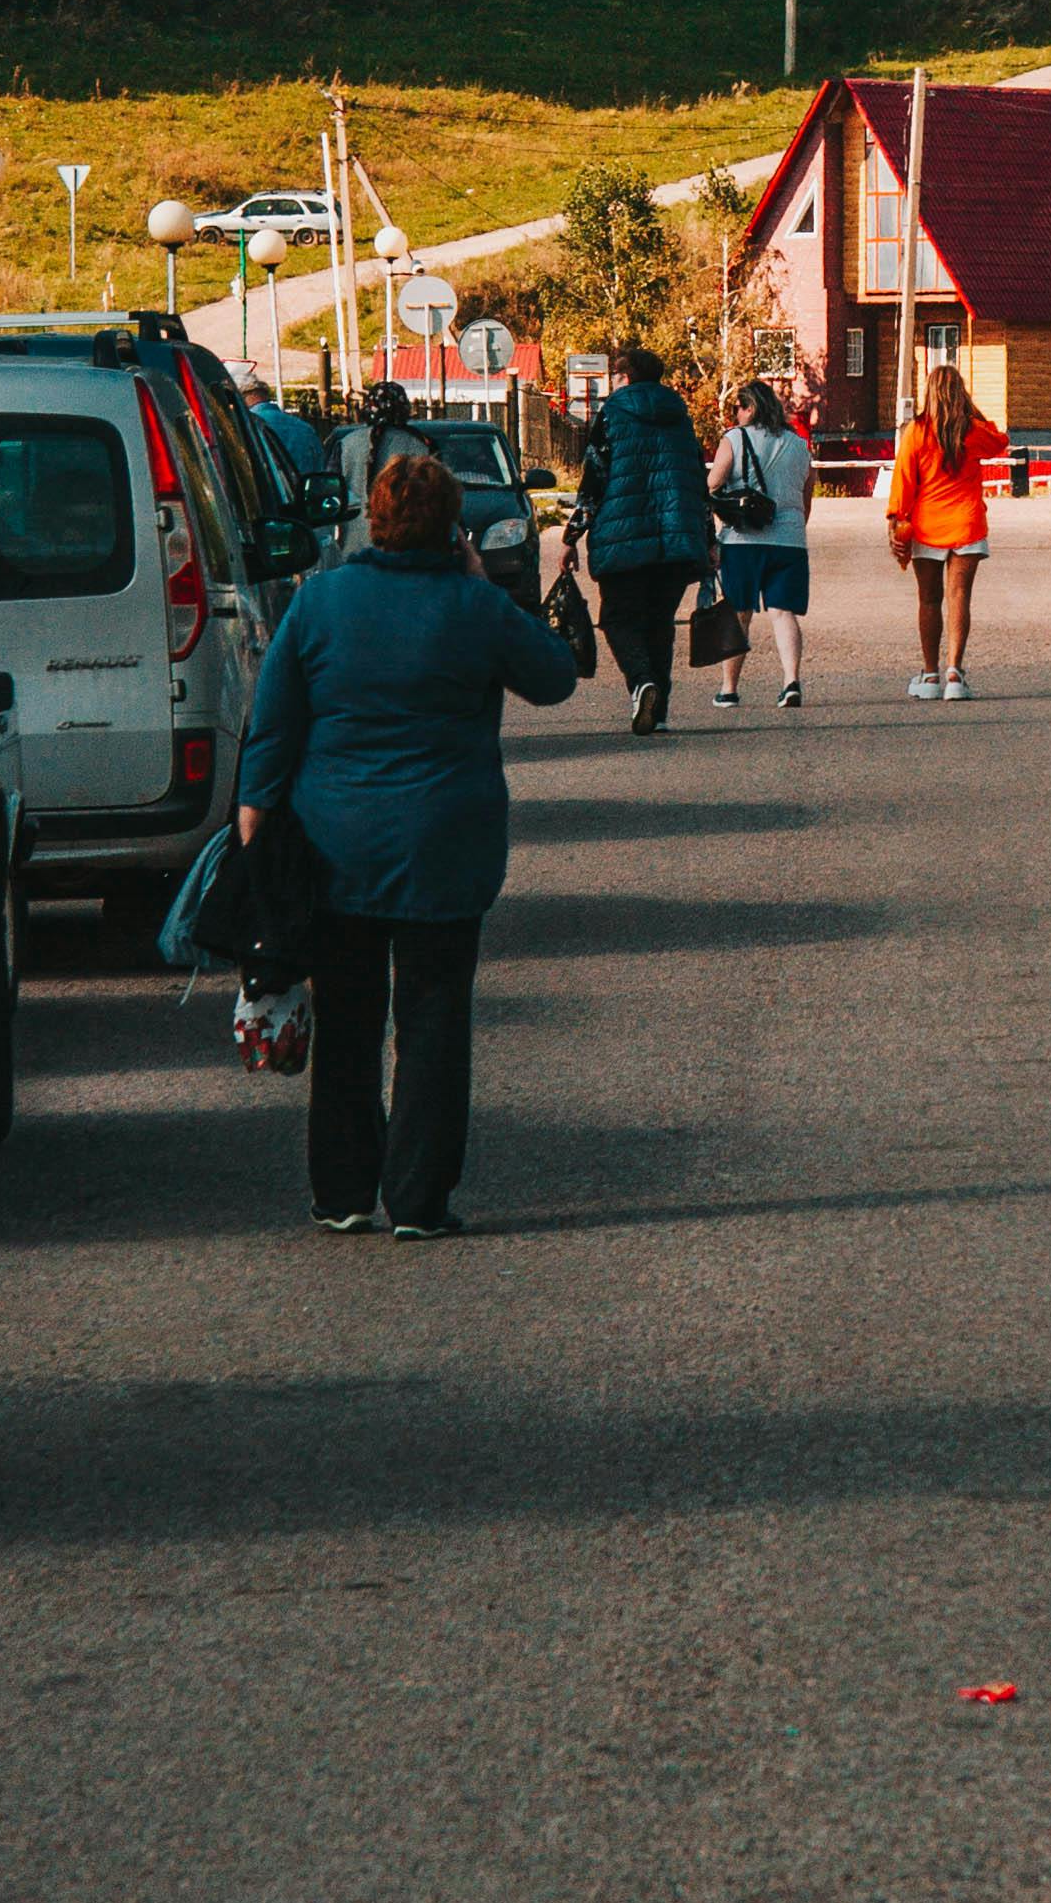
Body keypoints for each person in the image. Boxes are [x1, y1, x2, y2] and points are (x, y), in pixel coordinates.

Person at [236, 440, 582, 1238]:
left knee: (350, 1019)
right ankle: (419, 1200)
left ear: (375, 521)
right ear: (452, 530)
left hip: (335, 843)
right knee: (433, 1019)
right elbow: (555, 678)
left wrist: (256, 816)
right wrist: (481, 583)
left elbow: (276, 721)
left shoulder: (320, 602)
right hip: (443, 843)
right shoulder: (476, 607)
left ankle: (343, 1191)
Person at [566, 341, 717, 734]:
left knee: (617, 619)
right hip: (675, 538)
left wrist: (572, 534)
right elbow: (697, 481)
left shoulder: (612, 415)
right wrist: (709, 539)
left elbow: (594, 477)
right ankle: (660, 710)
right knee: (659, 623)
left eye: (615, 376)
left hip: (623, 537)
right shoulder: (680, 416)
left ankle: (641, 683)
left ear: (626, 377)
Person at [885, 358, 1007, 697]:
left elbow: (903, 481)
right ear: (960, 394)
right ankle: (955, 673)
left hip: (926, 526)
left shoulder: (917, 432)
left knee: (928, 600)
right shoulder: (972, 431)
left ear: (929, 394)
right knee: (959, 598)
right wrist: (971, 411)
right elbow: (1000, 439)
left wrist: (895, 521)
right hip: (966, 523)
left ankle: (930, 676)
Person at [708, 374, 815, 709]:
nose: (735, 415)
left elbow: (711, 485)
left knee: (739, 612)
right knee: (783, 613)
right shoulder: (799, 446)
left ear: (750, 407)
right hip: (790, 541)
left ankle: (728, 689)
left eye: (738, 408)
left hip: (742, 540)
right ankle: (791, 682)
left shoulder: (734, 439)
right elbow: (805, 498)